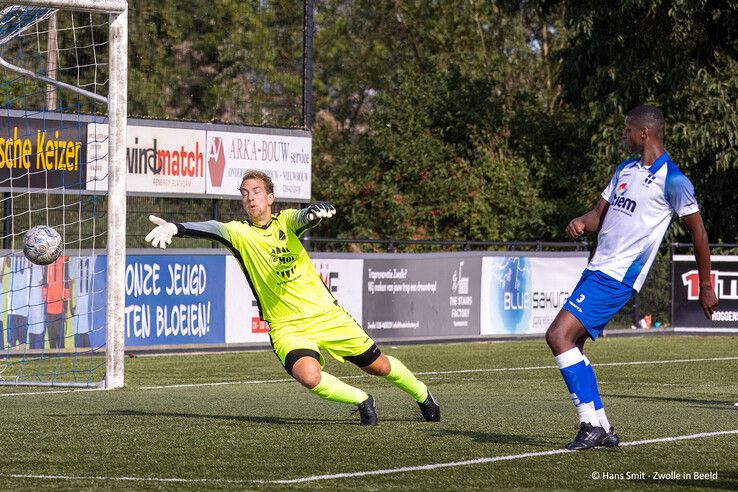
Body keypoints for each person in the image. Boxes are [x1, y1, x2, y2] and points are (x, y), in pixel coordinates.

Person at [145, 169, 440, 426]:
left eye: (257, 191)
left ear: (271, 197)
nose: (251, 197)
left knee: (379, 367)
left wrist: (312, 212)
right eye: (245, 193)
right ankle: (363, 400)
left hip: (326, 314)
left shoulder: (286, 221)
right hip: (286, 326)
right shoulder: (238, 234)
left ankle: (422, 394)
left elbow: (302, 218)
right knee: (309, 376)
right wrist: (176, 228)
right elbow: (212, 227)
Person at [545, 105, 718, 450]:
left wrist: (707, 285)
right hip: (597, 268)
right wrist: (581, 221)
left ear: (644, 134)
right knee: (573, 344)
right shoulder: (624, 169)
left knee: (557, 336)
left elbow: (698, 233)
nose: (623, 135)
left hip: (617, 276)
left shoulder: (674, 179)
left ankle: (588, 424)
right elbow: (598, 215)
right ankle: (603, 429)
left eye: (627, 130)